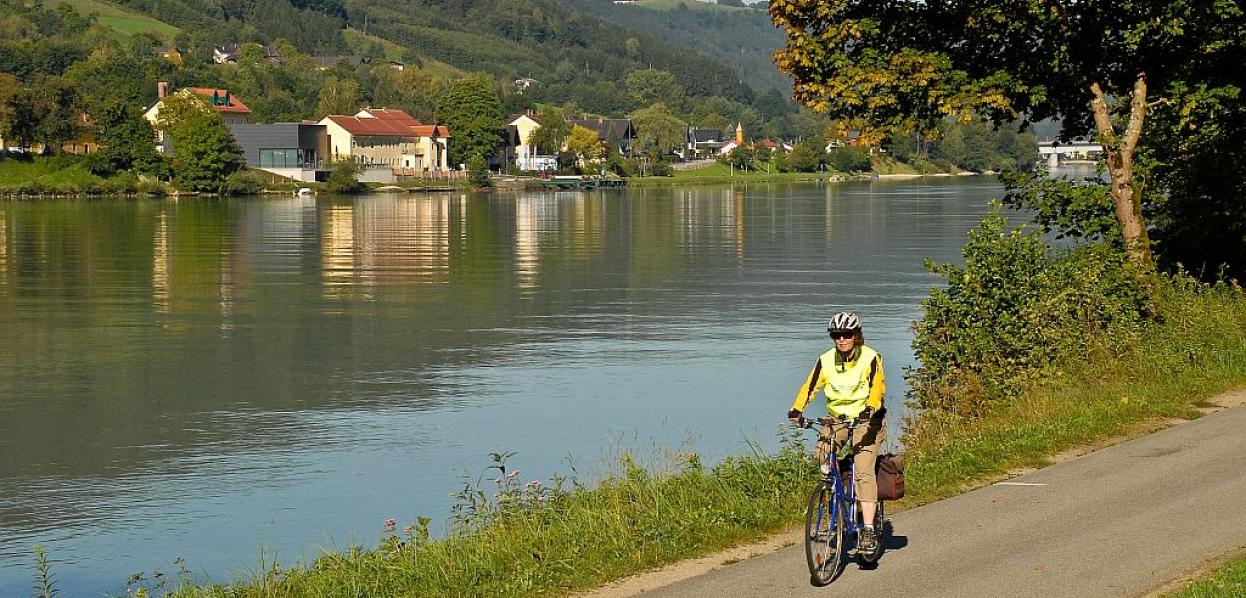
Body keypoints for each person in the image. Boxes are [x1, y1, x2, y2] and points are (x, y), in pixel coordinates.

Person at [788, 311, 887, 553]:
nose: (841, 339)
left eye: (846, 334)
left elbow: (877, 389)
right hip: (837, 419)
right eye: (836, 335)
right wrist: (796, 409)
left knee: (864, 470)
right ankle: (837, 486)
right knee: (822, 454)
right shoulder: (826, 360)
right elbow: (809, 387)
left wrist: (870, 409)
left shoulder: (871, 358)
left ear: (856, 336)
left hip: (867, 420)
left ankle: (868, 530)